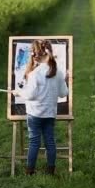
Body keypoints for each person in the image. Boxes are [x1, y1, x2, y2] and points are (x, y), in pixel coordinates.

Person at [13, 39, 69, 175]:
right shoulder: (58, 73)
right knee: (50, 142)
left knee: (34, 142)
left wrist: (19, 92)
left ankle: (30, 171)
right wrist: (66, 81)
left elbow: (31, 95)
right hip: (50, 114)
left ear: (36, 55)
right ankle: (50, 171)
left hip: (35, 114)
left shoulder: (34, 74)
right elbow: (64, 93)